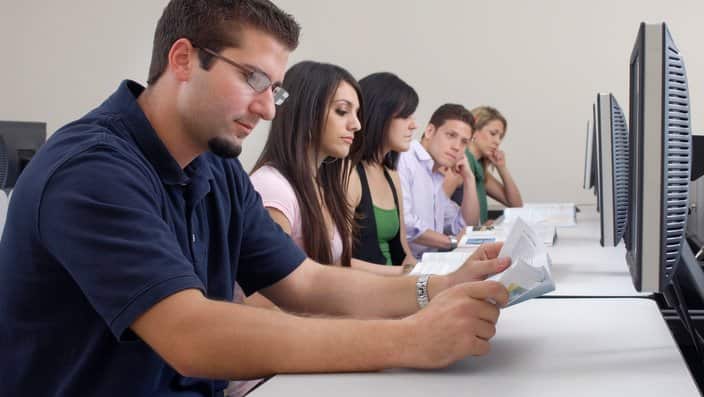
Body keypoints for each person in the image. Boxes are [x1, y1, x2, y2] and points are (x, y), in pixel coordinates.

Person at [0, 1, 509, 396]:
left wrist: (433, 290)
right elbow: (193, 335)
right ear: (183, 59)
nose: (268, 109)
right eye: (254, 79)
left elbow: (304, 282)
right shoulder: (91, 170)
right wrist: (411, 340)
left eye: (276, 89)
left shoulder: (214, 166)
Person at [347, 72, 418, 270]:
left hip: (396, 285)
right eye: (405, 116)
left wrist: (420, 272)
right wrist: (403, 275)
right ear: (379, 115)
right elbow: (340, 262)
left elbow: (403, 250)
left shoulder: (391, 173)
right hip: (368, 290)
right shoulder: (349, 174)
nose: (414, 125)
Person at [398, 103, 480, 258]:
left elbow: (463, 226)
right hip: (405, 269)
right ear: (429, 131)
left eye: (464, 142)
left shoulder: (435, 174)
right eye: (451, 135)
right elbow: (405, 224)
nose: (457, 147)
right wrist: (452, 241)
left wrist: (469, 179)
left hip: (430, 265)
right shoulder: (405, 158)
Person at [445, 106, 523, 224]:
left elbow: (516, 205)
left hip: (474, 237)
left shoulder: (478, 168)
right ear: (474, 131)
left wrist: (502, 168)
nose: (497, 141)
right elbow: (435, 209)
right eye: (493, 134)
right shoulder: (460, 162)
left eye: (500, 137)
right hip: (458, 239)